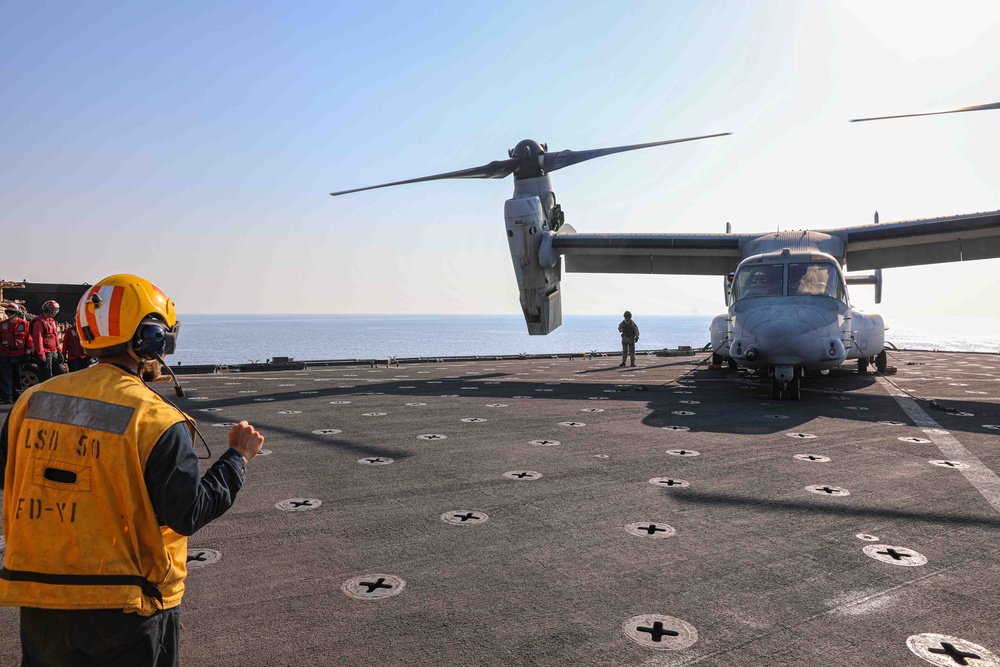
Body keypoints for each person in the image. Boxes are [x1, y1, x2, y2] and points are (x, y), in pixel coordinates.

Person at [0, 273, 265, 666]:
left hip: (41, 600)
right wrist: (236, 459)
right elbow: (186, 511)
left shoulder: (30, 402)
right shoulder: (155, 418)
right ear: (152, 339)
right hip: (127, 605)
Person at [0, 304, 32, 403]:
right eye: (7, 312)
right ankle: (7, 397)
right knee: (6, 377)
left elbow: (29, 339)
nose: (9, 314)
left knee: (17, 376)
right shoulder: (2, 325)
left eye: (11, 312)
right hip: (4, 355)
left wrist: (28, 352)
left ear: (17, 313)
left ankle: (17, 395)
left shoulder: (25, 325)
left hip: (18, 355)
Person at [28, 300, 65, 382]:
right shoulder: (39, 322)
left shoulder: (52, 321)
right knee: (46, 376)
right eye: (54, 310)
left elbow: (55, 337)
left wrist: (59, 351)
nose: (55, 313)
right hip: (46, 353)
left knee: (61, 373)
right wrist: (41, 355)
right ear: (48, 309)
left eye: (57, 310)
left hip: (54, 352)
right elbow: (38, 339)